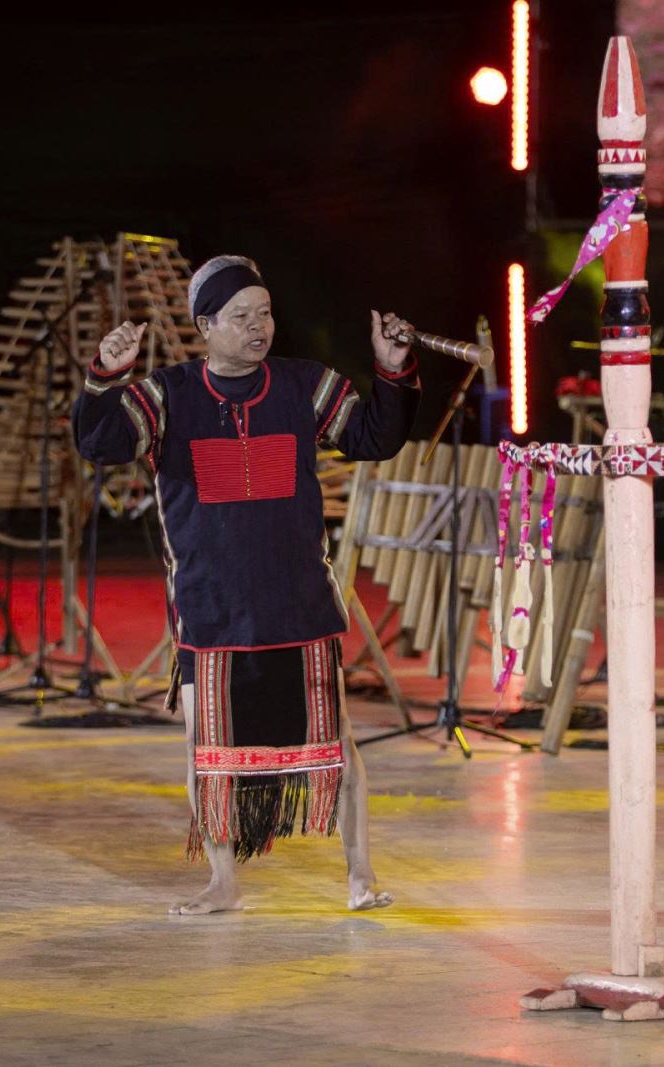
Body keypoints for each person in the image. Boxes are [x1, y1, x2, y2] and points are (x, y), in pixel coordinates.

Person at [72, 255, 419, 915]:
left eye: (265, 313)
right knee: (205, 752)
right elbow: (101, 442)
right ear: (206, 326)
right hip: (211, 610)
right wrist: (106, 376)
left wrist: (391, 368)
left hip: (299, 605)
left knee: (338, 746)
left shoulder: (303, 384)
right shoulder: (167, 395)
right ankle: (223, 882)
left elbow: (374, 436)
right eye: (241, 316)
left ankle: (361, 876)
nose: (259, 326)